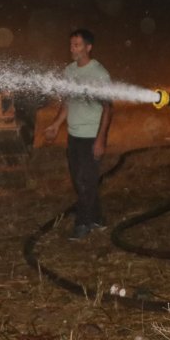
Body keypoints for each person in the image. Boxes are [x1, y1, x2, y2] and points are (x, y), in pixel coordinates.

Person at [43, 29, 114, 241]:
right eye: (71, 45)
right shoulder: (69, 72)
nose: (72, 49)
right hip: (74, 136)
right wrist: (56, 125)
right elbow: (67, 103)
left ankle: (82, 223)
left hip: (91, 135)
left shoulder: (99, 74)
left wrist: (101, 139)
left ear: (88, 47)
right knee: (80, 181)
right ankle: (97, 218)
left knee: (85, 181)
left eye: (77, 45)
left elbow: (108, 108)